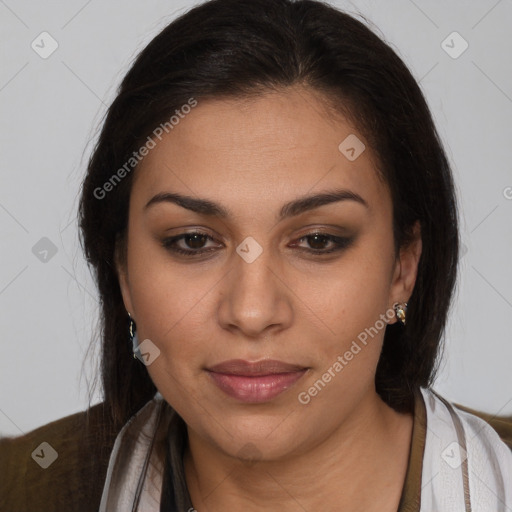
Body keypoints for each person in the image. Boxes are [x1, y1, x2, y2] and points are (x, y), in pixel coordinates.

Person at [1, 0, 511, 510]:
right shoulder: (23, 488)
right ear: (124, 272)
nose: (251, 312)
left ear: (403, 266)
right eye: (192, 241)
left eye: (318, 241)